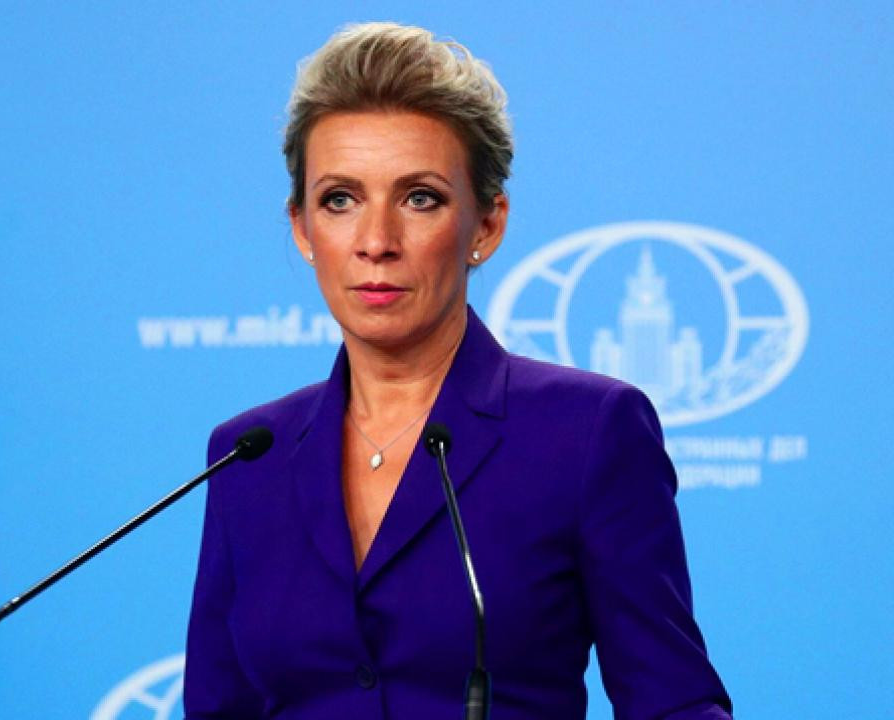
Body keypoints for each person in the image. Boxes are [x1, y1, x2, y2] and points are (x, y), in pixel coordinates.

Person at [184, 22, 732, 719]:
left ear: (487, 225)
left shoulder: (587, 432)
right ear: (302, 228)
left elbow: (673, 704)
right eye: (340, 199)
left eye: (420, 198)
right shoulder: (246, 456)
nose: (376, 242)